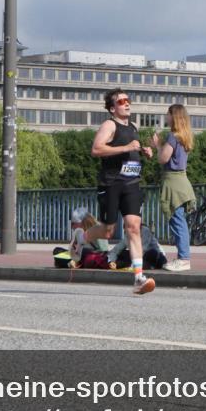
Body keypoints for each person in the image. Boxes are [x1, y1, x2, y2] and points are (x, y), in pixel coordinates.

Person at [84, 90, 156, 295]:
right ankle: (82, 238)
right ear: (112, 108)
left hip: (131, 183)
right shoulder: (109, 125)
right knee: (108, 231)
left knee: (133, 227)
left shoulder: (134, 127)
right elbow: (96, 149)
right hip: (111, 183)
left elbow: (131, 149)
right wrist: (126, 148)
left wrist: (144, 151)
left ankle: (138, 277)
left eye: (128, 100)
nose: (127, 103)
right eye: (122, 101)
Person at [151, 104, 196, 272]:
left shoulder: (173, 136)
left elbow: (163, 158)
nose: (166, 117)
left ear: (174, 116)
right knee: (180, 220)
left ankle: (183, 259)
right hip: (182, 181)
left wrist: (157, 145)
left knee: (177, 221)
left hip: (173, 182)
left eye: (168, 114)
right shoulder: (184, 136)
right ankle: (183, 257)